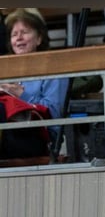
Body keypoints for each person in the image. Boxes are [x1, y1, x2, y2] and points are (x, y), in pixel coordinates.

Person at [0, 9, 68, 158]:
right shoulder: (6, 68)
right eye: (14, 34)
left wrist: (21, 94)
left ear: (39, 38)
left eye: (24, 32)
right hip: (8, 132)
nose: (18, 38)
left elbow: (55, 114)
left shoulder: (54, 68)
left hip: (40, 138)